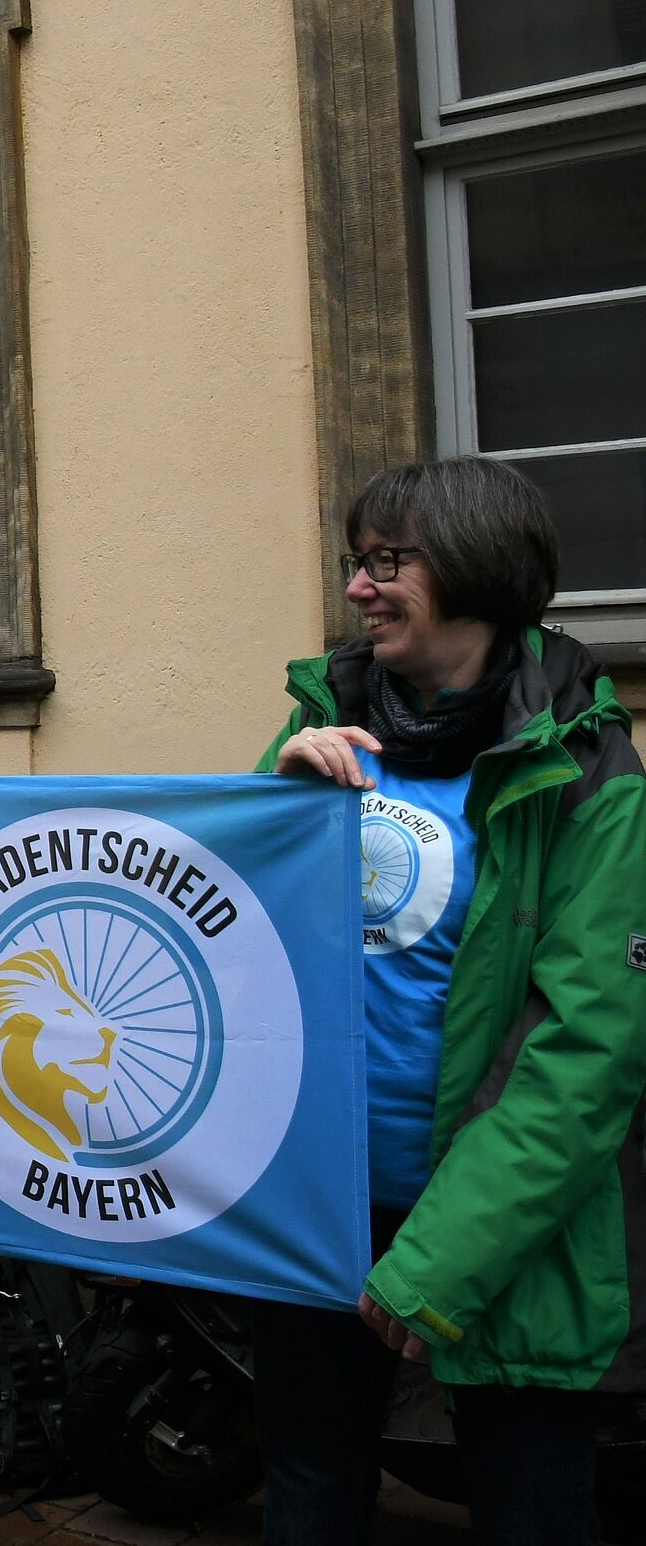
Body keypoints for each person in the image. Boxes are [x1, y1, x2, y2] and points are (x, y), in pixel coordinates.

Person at [252, 456, 645, 1544]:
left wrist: (435, 1267)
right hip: (320, 1214)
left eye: (387, 562)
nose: (358, 588)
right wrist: (273, 810)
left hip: (501, 1238)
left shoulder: (591, 772)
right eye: (356, 562)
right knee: (308, 1498)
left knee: (531, 1513)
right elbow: (223, 941)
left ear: (477, 567)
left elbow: (587, 1057)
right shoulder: (321, 727)